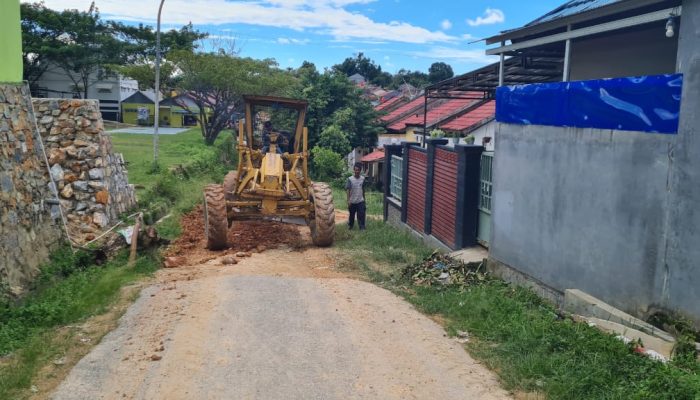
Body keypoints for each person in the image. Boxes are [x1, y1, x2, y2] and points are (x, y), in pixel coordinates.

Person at [345, 164, 366, 230]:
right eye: (356, 170)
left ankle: (362, 227)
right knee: (352, 215)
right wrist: (348, 200)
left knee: (361, 214)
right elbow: (348, 190)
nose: (357, 171)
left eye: (358, 170)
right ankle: (350, 226)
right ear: (354, 170)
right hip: (352, 201)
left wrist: (364, 200)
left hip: (360, 200)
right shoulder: (350, 179)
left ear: (360, 171)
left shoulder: (362, 179)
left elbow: (363, 189)